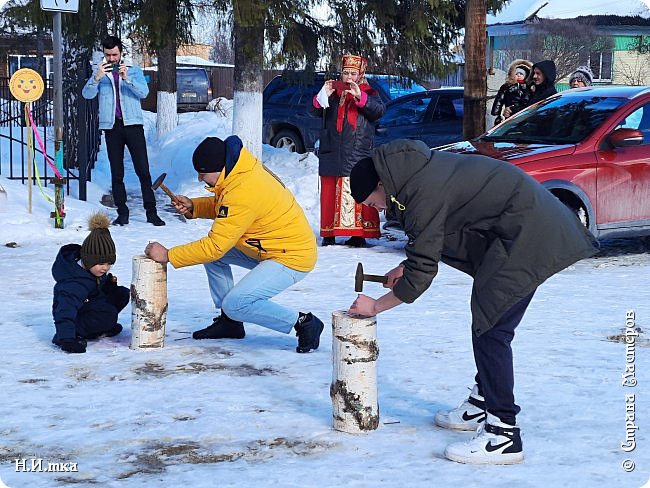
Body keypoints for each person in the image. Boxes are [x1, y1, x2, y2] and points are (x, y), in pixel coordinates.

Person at [347, 139, 599, 465]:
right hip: (516, 232)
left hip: (529, 235)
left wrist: (376, 306)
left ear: (382, 184)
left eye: (373, 201)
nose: (377, 209)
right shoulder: (413, 175)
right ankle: (483, 401)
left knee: (491, 328)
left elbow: (424, 271)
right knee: (488, 323)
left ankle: (503, 434)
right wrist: (406, 266)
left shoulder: (420, 191)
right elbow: (437, 235)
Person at [144, 135, 324, 353]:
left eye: (202, 173)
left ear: (219, 167)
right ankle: (230, 322)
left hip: (292, 256)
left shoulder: (244, 189)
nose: (200, 179)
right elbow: (227, 206)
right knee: (214, 259)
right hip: (268, 246)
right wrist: (195, 206)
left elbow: (216, 243)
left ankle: (303, 323)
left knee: (237, 301)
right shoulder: (237, 173)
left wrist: (169, 255)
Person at [82, 35, 165, 227]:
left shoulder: (134, 71)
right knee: (116, 172)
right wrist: (96, 78)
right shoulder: (100, 73)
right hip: (112, 127)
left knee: (143, 171)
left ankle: (151, 213)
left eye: (115, 54)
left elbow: (143, 93)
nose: (111, 58)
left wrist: (127, 79)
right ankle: (122, 213)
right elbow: (87, 95)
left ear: (121, 53)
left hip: (133, 125)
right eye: (108, 55)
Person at [312, 54, 385, 248]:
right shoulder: (333, 94)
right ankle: (329, 233)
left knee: (357, 190)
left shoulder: (370, 92)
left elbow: (378, 111)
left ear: (361, 74)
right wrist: (323, 95)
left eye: (353, 73)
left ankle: (358, 234)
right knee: (329, 192)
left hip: (358, 151)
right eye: (345, 73)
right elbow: (314, 111)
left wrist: (359, 96)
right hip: (332, 150)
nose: (349, 77)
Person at [51, 212, 130, 354]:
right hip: (74, 318)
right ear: (87, 260)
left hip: (88, 305)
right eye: (100, 263)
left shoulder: (93, 271)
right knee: (108, 314)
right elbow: (64, 311)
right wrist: (67, 339)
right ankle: (76, 332)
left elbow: (98, 287)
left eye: (109, 263)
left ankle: (101, 327)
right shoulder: (73, 283)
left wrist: (109, 285)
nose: (105, 268)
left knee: (121, 294)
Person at [490, 59, 533, 125]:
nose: (518, 75)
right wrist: (497, 113)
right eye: (516, 74)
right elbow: (499, 99)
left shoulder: (529, 87)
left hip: (525, 115)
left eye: (521, 74)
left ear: (526, 75)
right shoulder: (507, 86)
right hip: (510, 113)